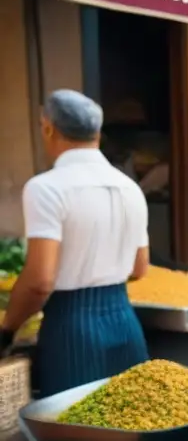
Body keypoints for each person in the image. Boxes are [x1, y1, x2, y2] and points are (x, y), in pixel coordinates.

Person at [0, 90, 149, 395]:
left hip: (72, 327)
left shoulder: (46, 188)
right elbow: (139, 267)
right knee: (130, 425)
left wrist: (7, 329)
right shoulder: (129, 188)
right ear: (97, 132)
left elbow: (40, 281)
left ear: (48, 128)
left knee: (72, 432)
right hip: (125, 320)